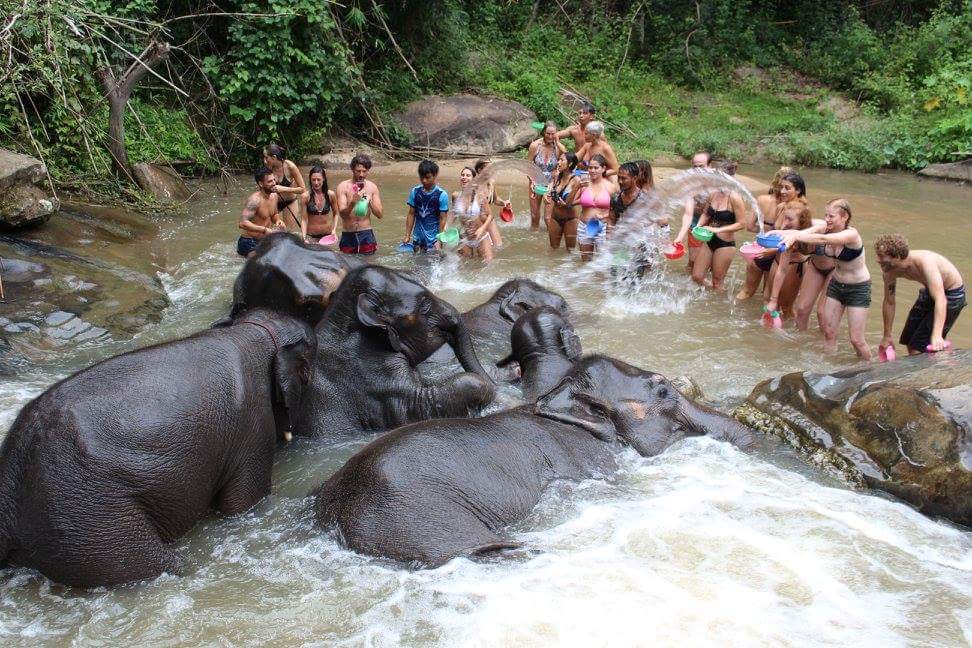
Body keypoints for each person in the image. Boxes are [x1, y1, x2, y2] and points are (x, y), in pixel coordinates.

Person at [772, 199, 871, 360]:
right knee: (829, 333)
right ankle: (829, 368)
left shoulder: (851, 234)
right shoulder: (825, 227)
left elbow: (823, 240)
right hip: (836, 286)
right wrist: (777, 233)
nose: (827, 219)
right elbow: (804, 232)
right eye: (826, 215)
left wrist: (796, 237)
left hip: (858, 288)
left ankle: (869, 371)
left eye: (831, 216)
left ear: (844, 217)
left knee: (857, 340)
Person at [875, 234, 966, 354]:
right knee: (908, 341)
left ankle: (942, 354)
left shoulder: (924, 262)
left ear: (897, 256)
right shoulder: (889, 271)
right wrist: (887, 336)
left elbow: (940, 299)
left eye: (881, 257)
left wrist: (936, 335)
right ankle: (941, 352)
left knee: (919, 346)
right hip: (930, 291)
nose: (878, 260)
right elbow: (889, 302)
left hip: (952, 295)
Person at [738, 171, 810, 300]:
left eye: (787, 188)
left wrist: (771, 250)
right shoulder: (782, 206)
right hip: (769, 254)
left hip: (787, 260)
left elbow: (801, 243)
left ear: (798, 190)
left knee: (778, 302)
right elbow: (776, 232)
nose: (782, 191)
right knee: (760, 296)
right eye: (781, 187)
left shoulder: (802, 210)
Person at [690, 163, 747, 291]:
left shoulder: (735, 197)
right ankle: (711, 297)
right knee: (697, 276)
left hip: (725, 244)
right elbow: (706, 213)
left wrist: (717, 229)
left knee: (718, 282)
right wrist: (698, 226)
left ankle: (719, 303)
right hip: (709, 239)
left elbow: (742, 224)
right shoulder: (713, 194)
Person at [568, 154, 617, 261]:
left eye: (596, 168)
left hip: (603, 226)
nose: (593, 171)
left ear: (603, 169)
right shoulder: (583, 184)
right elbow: (569, 204)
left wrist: (605, 215)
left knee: (603, 263)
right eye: (590, 167)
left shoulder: (611, 187)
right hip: (584, 226)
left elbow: (618, 210)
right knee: (586, 263)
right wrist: (577, 187)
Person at [673, 151, 713, 273]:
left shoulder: (719, 183)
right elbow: (688, 214)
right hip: (695, 225)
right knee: (693, 262)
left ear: (710, 166)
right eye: (695, 167)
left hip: (716, 226)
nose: (697, 170)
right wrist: (679, 237)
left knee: (712, 266)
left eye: (701, 167)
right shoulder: (690, 185)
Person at [336, 154, 384, 255]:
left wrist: (369, 201)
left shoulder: (372, 187)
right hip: (348, 234)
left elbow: (380, 215)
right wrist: (353, 202)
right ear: (352, 170)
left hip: (366, 234)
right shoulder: (343, 187)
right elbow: (343, 215)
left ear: (368, 171)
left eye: (364, 171)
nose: (361, 174)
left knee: (369, 267)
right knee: (347, 267)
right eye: (358, 171)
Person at [237, 166, 286, 257]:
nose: (274, 183)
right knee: (261, 264)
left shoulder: (274, 196)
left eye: (274, 180)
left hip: (264, 240)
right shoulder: (255, 200)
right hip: (249, 242)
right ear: (260, 184)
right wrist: (264, 230)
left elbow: (274, 213)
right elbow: (242, 223)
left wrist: (278, 220)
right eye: (270, 181)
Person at [449, 166, 494, 262]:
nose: (464, 177)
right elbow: (453, 214)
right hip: (465, 238)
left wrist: (482, 228)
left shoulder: (480, 196)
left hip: (481, 237)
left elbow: (490, 215)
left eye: (468, 175)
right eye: (462, 175)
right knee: (464, 269)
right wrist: (445, 229)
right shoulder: (456, 195)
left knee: (487, 265)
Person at [404, 159, 450, 252]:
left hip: (434, 239)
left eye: (428, 177)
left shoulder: (442, 195)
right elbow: (411, 214)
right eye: (421, 177)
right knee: (416, 264)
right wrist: (407, 235)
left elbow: (443, 218)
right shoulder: (415, 192)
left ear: (435, 175)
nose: (424, 180)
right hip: (418, 237)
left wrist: (440, 239)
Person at [527, 122, 566, 230]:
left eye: (553, 134)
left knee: (548, 218)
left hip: (551, 183)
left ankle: (552, 240)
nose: (550, 136)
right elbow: (528, 166)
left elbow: (567, 156)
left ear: (556, 134)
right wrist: (532, 181)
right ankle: (534, 240)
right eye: (548, 133)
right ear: (544, 132)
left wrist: (557, 141)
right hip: (535, 181)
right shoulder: (535, 146)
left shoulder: (557, 147)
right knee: (535, 216)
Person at [543, 152, 581, 250]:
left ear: (570, 164)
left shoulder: (576, 181)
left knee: (570, 251)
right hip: (555, 217)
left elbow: (573, 202)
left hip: (570, 219)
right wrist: (545, 194)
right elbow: (550, 187)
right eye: (558, 159)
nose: (558, 162)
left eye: (562, 160)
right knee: (553, 249)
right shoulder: (557, 176)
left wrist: (565, 204)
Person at [262, 144, 305, 231]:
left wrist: (283, 188)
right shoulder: (267, 167)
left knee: (287, 232)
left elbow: (302, 189)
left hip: (289, 202)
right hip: (273, 203)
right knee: (266, 231)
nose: (264, 160)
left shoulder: (290, 166)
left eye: (266, 157)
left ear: (274, 157)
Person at [300, 166, 338, 245]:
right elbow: (304, 219)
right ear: (310, 180)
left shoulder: (330, 195)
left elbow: (336, 214)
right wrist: (303, 237)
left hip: (327, 237)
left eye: (318, 179)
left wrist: (334, 230)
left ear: (323, 179)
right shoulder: (305, 197)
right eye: (313, 180)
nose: (316, 183)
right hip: (311, 237)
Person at [474, 158, 507, 249]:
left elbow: (496, 200)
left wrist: (504, 203)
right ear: (480, 170)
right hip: (477, 220)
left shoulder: (491, 183)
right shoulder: (474, 185)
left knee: (498, 246)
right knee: (481, 248)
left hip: (488, 218)